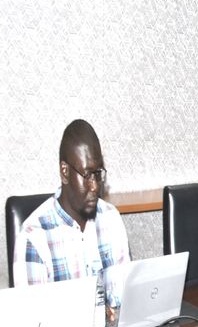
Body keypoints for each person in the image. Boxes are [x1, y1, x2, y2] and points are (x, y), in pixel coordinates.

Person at [13, 119, 130, 307]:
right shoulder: (33, 237)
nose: (94, 186)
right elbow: (34, 319)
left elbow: (123, 299)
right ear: (65, 172)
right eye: (87, 175)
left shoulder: (111, 218)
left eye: (97, 174)